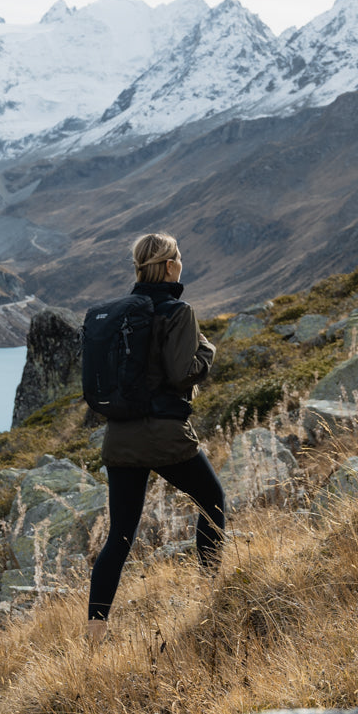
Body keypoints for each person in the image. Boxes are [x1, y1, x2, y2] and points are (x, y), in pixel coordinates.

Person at [87, 233, 225, 645]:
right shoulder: (178, 311)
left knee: (120, 536)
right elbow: (183, 372)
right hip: (165, 435)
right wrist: (208, 352)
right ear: (168, 267)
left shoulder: (120, 315)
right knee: (212, 501)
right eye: (178, 257)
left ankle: (94, 635)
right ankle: (210, 593)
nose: (182, 263)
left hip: (119, 440)